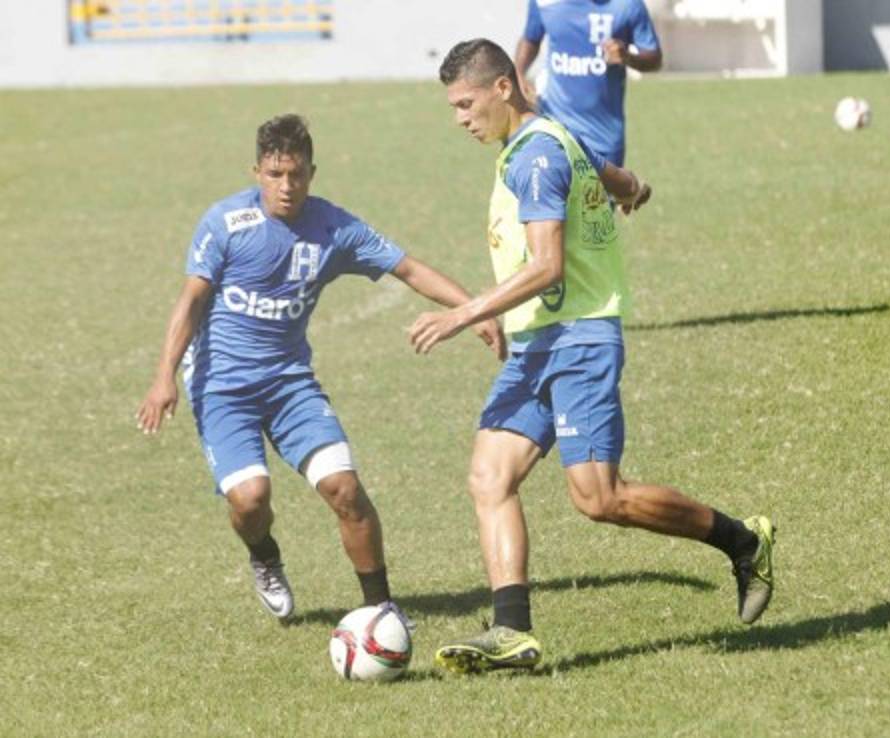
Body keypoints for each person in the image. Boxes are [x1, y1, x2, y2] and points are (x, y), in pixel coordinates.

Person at [410, 38, 774, 674]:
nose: (459, 119)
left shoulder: (535, 158)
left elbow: (549, 267)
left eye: (466, 103)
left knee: (599, 500)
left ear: (503, 87)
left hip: (577, 340)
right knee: (489, 476)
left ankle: (743, 539)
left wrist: (464, 312)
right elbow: (602, 169)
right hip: (536, 346)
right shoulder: (549, 137)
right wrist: (632, 186)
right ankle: (512, 632)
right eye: (452, 108)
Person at [136, 114, 504, 621]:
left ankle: (381, 609)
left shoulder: (335, 229)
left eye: (297, 174)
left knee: (344, 489)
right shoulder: (225, 223)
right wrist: (164, 378)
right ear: (257, 171)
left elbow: (410, 269)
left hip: (290, 385)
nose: (286, 187)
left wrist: (473, 310)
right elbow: (191, 302)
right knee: (250, 500)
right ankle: (265, 556)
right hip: (223, 388)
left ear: (313, 172)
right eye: (274, 174)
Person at [514, 0, 662, 168]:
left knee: (600, 195)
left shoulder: (629, 5)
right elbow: (531, 38)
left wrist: (627, 57)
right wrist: (518, 73)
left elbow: (654, 58)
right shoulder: (544, 2)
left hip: (603, 138)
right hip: (554, 131)